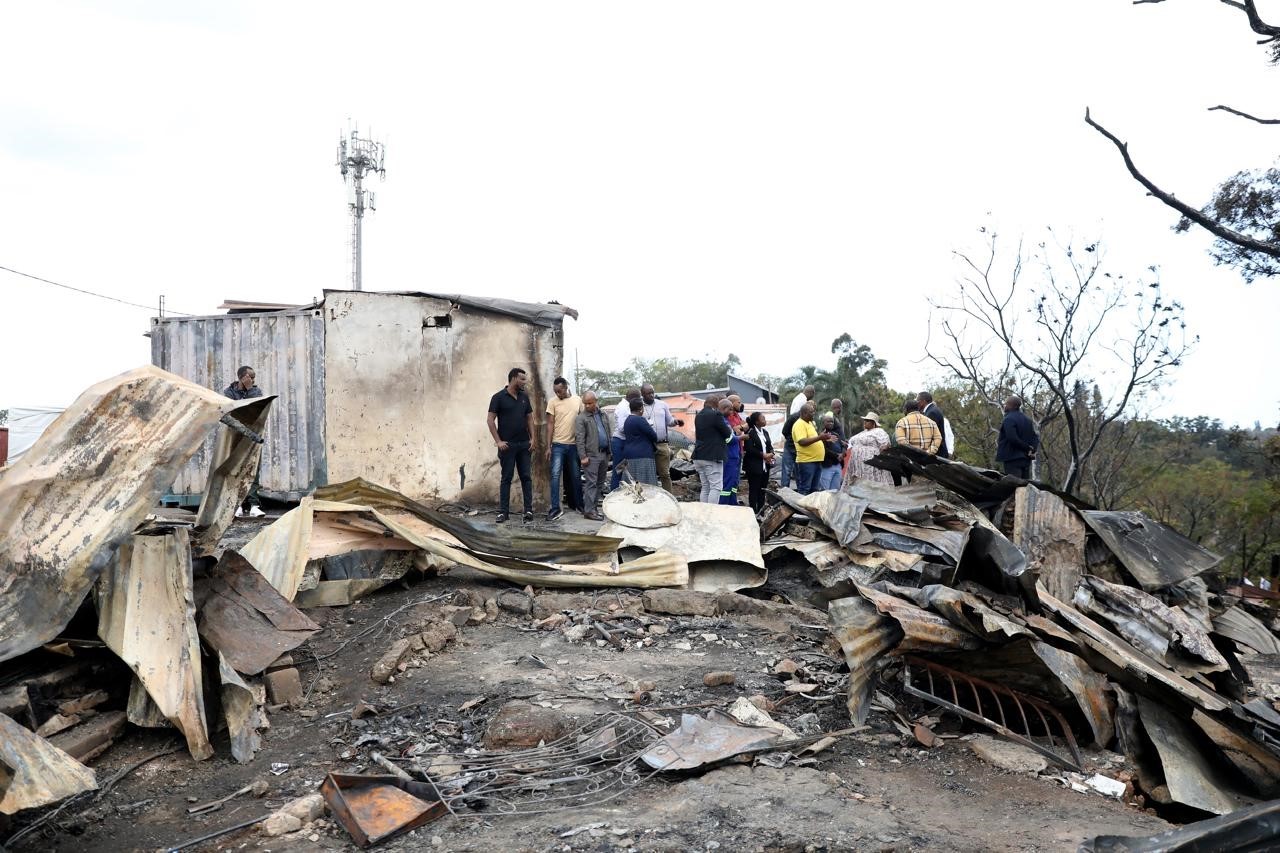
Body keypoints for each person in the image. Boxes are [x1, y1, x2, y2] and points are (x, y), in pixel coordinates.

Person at [486, 367, 535, 524]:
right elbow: (490, 420)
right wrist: (498, 441)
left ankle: (528, 510)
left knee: (526, 477)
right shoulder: (498, 397)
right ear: (513, 378)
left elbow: (529, 419)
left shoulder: (524, 397)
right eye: (522, 379)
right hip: (507, 446)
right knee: (506, 478)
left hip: (523, 445)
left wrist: (533, 438)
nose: (524, 382)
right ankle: (503, 513)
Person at [224, 366, 266, 517]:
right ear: (242, 377)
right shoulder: (229, 393)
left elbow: (255, 407)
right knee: (236, 469)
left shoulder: (256, 391)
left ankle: (254, 505)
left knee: (253, 469)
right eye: (250, 377)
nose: (253, 381)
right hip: (235, 436)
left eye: (254, 378)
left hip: (253, 435)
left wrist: (250, 389)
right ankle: (238, 505)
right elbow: (230, 412)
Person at [544, 377, 583, 521]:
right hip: (558, 445)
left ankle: (579, 505)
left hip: (573, 445)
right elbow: (549, 425)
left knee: (576, 476)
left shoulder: (577, 400)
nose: (558, 394)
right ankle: (555, 509)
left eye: (560, 391)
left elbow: (583, 421)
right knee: (555, 476)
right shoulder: (552, 402)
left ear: (566, 387)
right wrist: (548, 447)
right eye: (556, 392)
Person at [641, 383, 684, 493]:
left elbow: (669, 421)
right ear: (642, 394)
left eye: (652, 392)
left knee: (665, 473)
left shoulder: (662, 405)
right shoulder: (639, 406)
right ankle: (651, 498)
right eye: (648, 393)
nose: (651, 395)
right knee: (649, 474)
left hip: (662, 444)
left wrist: (676, 422)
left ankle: (669, 498)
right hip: (647, 445)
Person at [575, 392, 611, 520]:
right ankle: (589, 511)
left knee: (600, 483)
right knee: (591, 483)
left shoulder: (603, 414)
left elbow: (608, 432)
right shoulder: (581, 418)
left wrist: (609, 451)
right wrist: (583, 456)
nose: (587, 406)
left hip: (604, 453)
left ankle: (593, 508)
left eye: (590, 403)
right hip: (591, 456)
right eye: (585, 403)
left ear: (596, 401)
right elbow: (579, 439)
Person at [692, 394, 732, 503]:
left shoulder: (698, 415)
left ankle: (704, 513)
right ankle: (711, 515)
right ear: (716, 404)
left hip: (699, 455)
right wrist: (729, 427)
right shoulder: (716, 414)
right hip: (712, 456)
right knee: (716, 487)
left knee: (705, 487)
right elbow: (727, 434)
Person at [792, 403, 834, 495]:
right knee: (805, 489)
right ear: (804, 413)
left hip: (816, 461)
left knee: (814, 490)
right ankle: (800, 509)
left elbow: (813, 439)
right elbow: (802, 442)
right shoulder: (799, 424)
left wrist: (824, 438)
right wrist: (819, 437)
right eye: (811, 412)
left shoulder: (809, 423)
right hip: (807, 462)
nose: (813, 414)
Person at [996, 395, 1039, 479]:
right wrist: (1032, 449)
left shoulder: (1008, 419)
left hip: (1012, 459)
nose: (1005, 406)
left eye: (1007, 404)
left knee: (1014, 486)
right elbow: (1035, 438)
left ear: (1014, 406)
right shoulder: (1027, 420)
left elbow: (1012, 438)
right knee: (1024, 486)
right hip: (1026, 460)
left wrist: (1027, 448)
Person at [844, 412, 893, 485]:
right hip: (857, 464)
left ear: (874, 423)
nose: (865, 422)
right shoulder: (862, 433)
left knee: (870, 483)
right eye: (865, 420)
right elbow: (851, 442)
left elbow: (886, 444)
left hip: (871, 463)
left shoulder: (879, 431)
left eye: (867, 420)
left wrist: (882, 455)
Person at [609, 388, 642, 492]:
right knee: (618, 470)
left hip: (625, 442)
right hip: (620, 442)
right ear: (633, 398)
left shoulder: (627, 406)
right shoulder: (623, 407)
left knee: (626, 471)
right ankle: (614, 495)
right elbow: (622, 428)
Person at [621, 398, 660, 486]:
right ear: (641, 409)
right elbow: (654, 436)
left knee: (632, 485)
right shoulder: (640, 420)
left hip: (629, 456)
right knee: (646, 485)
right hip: (643, 455)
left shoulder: (627, 420)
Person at [743, 411, 775, 513]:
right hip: (754, 466)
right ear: (756, 422)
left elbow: (769, 446)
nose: (765, 420)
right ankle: (753, 511)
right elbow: (749, 448)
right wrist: (763, 455)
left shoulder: (765, 432)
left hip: (765, 466)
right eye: (762, 418)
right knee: (754, 490)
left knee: (762, 489)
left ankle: (761, 511)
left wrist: (771, 454)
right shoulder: (750, 432)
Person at [719, 397, 745, 505]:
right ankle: (724, 505)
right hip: (729, 456)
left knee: (734, 483)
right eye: (729, 410)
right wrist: (741, 438)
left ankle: (732, 503)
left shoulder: (730, 419)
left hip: (735, 455)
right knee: (727, 482)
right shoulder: (723, 422)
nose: (731, 412)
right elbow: (729, 439)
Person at [917, 391, 950, 459]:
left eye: (918, 401)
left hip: (937, 453)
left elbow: (929, 436)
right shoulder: (931, 410)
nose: (917, 403)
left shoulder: (932, 413)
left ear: (923, 401)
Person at [818, 414, 847, 491]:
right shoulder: (821, 435)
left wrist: (843, 453)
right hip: (827, 466)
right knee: (825, 490)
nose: (831, 423)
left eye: (832, 422)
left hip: (838, 465)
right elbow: (824, 449)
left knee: (835, 491)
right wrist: (837, 455)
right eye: (828, 421)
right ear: (823, 422)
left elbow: (843, 445)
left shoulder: (836, 434)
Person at [779, 408, 801, 489]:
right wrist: (791, 439)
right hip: (790, 447)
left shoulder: (808, 420)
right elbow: (784, 431)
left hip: (800, 449)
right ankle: (784, 493)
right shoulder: (793, 417)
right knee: (786, 471)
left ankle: (800, 492)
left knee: (799, 472)